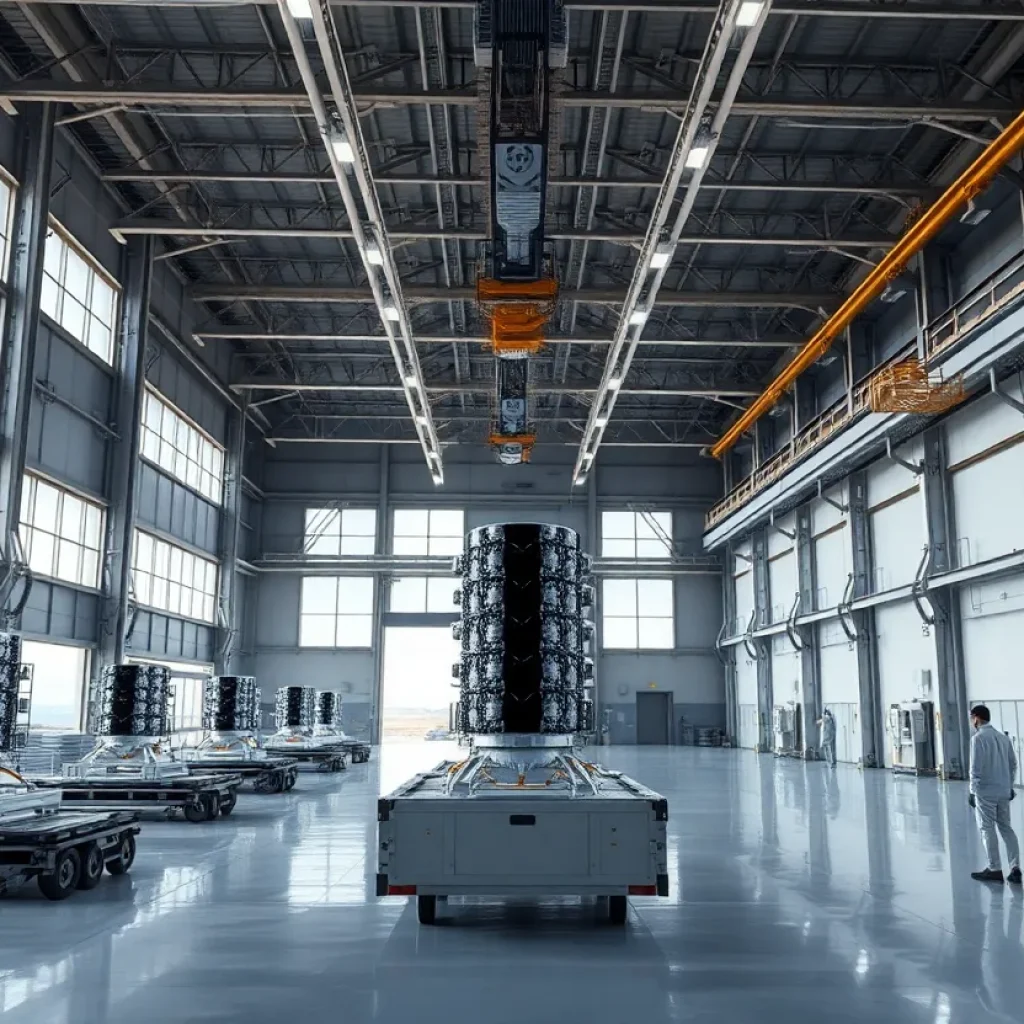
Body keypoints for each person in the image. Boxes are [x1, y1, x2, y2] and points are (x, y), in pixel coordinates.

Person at [969, 704, 1021, 884]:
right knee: (1006, 828)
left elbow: (975, 768)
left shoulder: (978, 739)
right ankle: (1015, 867)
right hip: (1003, 791)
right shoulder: (1003, 738)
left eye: (972, 719)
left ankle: (994, 868)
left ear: (976, 717)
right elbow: (1013, 764)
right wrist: (1009, 786)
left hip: (985, 792)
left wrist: (972, 791)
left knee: (987, 828)